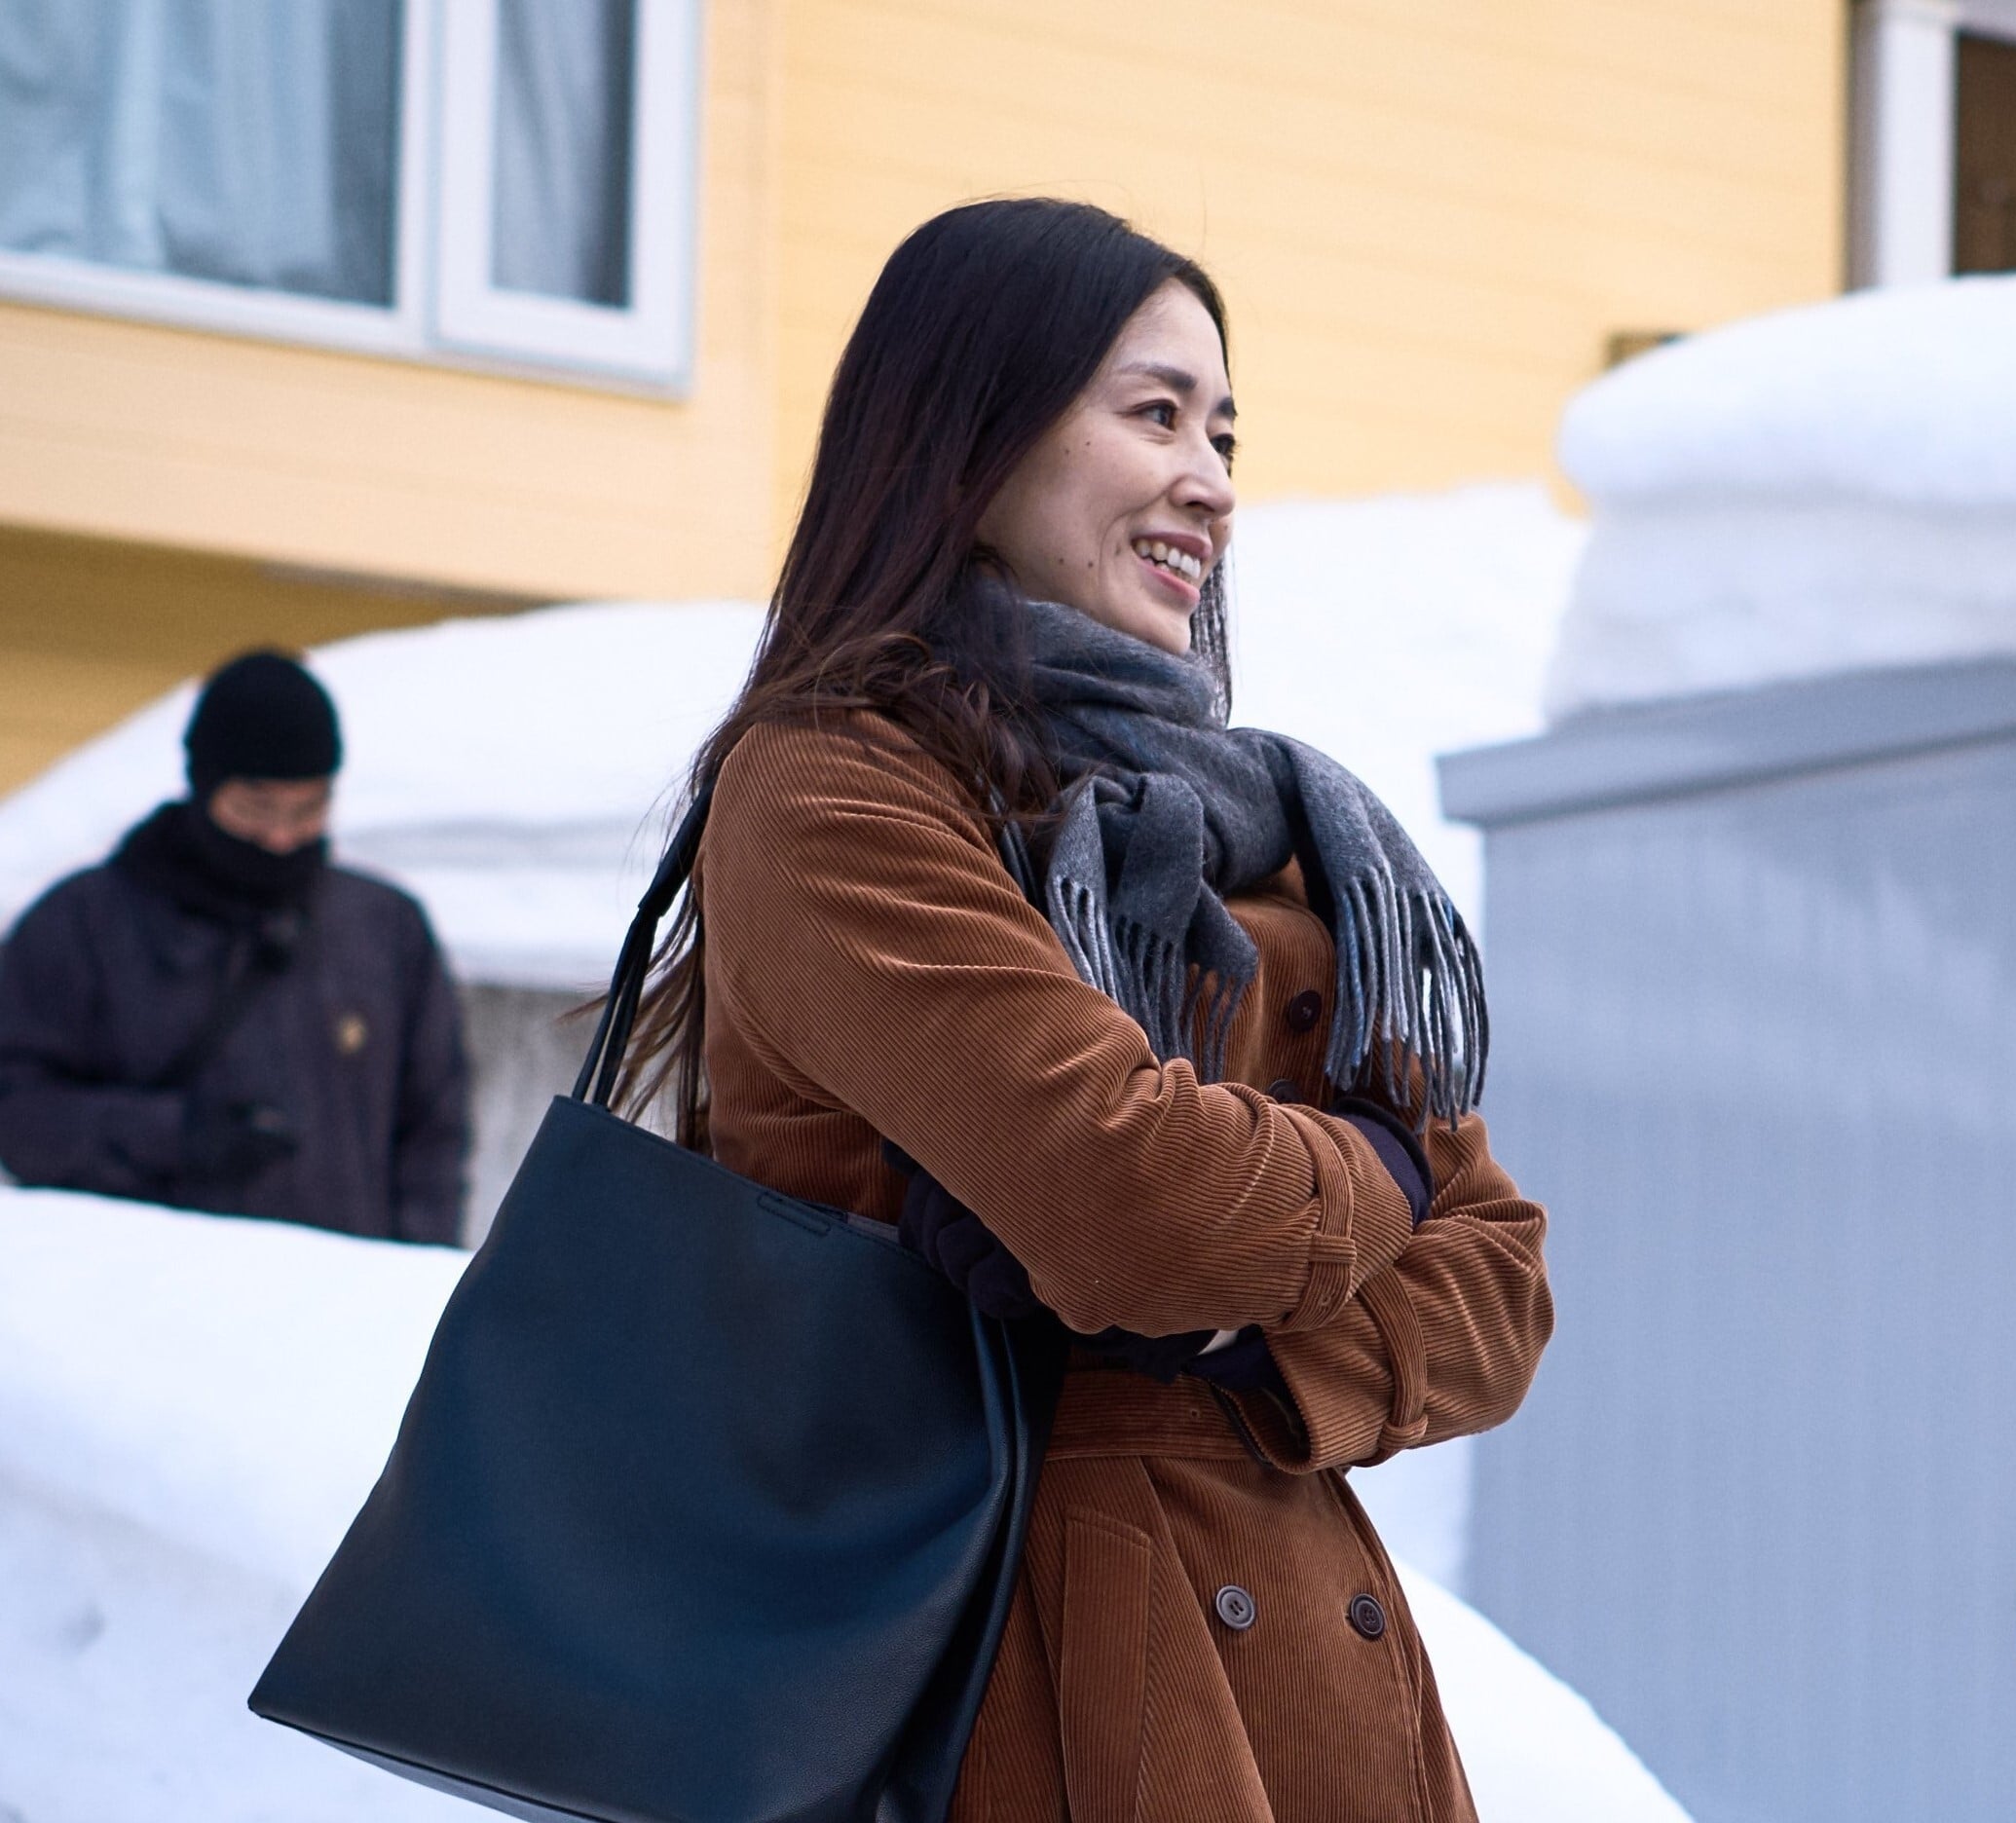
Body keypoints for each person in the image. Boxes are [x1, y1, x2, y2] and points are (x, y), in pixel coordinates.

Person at [619, 198, 1552, 1821]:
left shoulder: (1281, 829)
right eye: (1154, 414)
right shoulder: (834, 791)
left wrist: (1239, 1339)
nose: (1212, 481)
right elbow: (1139, 1208)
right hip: (1022, 1664)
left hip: (1303, 1683)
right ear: (971, 438)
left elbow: (1500, 1286)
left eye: (1224, 432)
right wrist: (1386, 1169)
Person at [0, 650, 469, 1244]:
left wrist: (418, 1274)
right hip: (142, 1282)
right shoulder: (83, 923)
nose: (280, 837)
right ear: (204, 787)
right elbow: (17, 1113)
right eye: (255, 810)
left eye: (308, 810)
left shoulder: (385, 926)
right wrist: (173, 1135)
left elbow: (434, 1132)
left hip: (340, 1285)